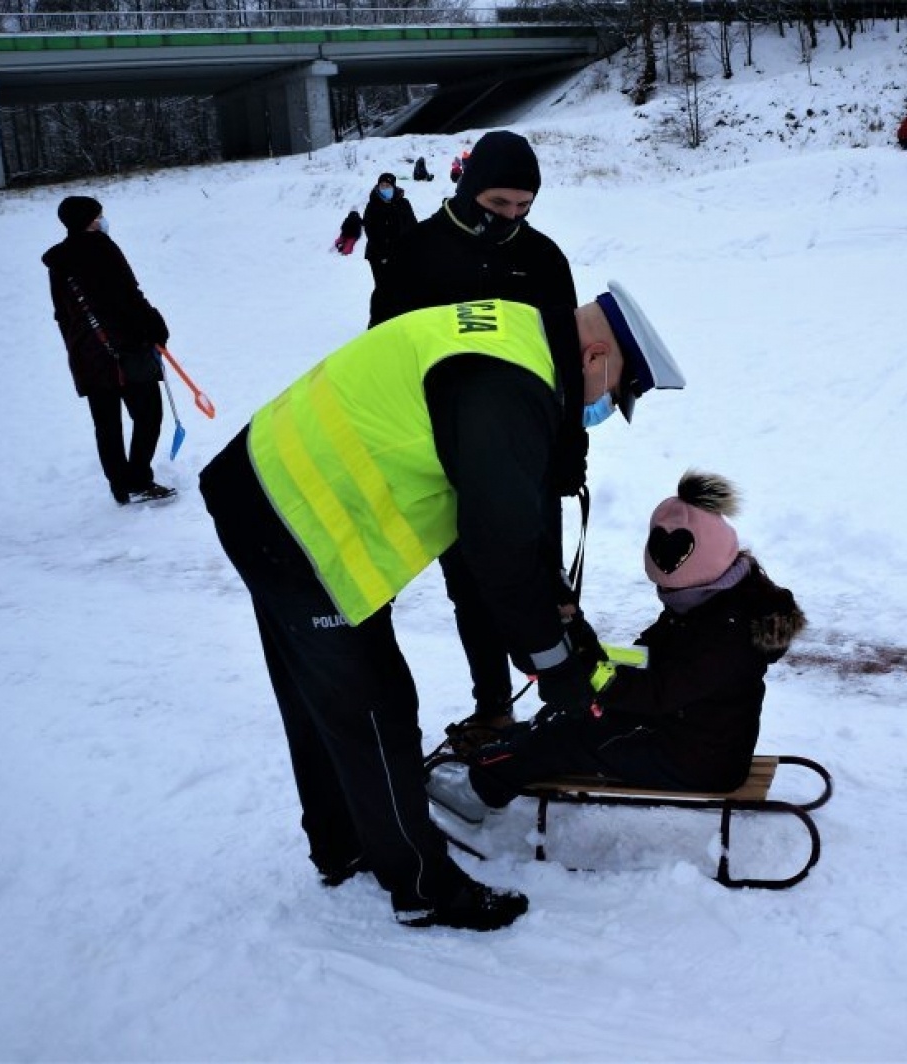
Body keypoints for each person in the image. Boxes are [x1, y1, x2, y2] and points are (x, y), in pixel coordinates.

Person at [198, 286, 686, 932]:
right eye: (616, 391)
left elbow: (512, 516)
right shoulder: (511, 387)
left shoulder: (518, 335)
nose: (605, 405)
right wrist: (551, 661)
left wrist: (559, 614)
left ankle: (342, 843)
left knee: (324, 695)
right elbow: (498, 549)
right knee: (376, 709)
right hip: (299, 522)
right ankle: (421, 885)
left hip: (262, 487)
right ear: (596, 354)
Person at [426, 470, 806, 824]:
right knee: (574, 716)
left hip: (696, 758)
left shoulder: (725, 631)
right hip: (687, 732)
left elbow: (658, 692)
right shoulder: (718, 598)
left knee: (573, 736)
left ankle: (478, 792)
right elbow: (654, 651)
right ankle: (504, 753)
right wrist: (591, 648)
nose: (668, 600)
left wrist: (596, 675)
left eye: (673, 592)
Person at [370, 130, 583, 754]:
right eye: (498, 204)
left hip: (530, 453)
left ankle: (563, 705)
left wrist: (571, 447)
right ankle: (492, 707)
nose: (511, 218)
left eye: (523, 207)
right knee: (471, 584)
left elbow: (565, 360)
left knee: (541, 580)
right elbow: (384, 350)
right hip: (445, 454)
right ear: (466, 190)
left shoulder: (543, 257)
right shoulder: (417, 251)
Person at [42, 195, 175, 506]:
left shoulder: (58, 263)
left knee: (106, 423)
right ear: (89, 220)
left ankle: (120, 485)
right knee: (149, 414)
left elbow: (62, 314)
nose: (103, 220)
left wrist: (77, 348)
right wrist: (156, 328)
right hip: (125, 349)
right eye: (100, 215)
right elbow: (129, 295)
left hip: (86, 354)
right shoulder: (102, 247)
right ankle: (139, 479)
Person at [361, 172, 416, 308]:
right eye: (382, 185)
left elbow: (413, 225)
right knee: (383, 290)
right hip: (379, 256)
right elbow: (370, 232)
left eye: (388, 185)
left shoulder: (403, 203)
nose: (385, 188)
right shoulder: (373, 206)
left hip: (401, 253)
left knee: (403, 288)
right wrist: (383, 255)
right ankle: (379, 321)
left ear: (393, 186)